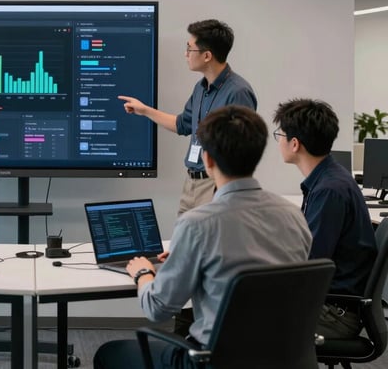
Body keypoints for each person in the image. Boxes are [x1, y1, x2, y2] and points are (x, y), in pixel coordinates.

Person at [93, 106, 312, 369]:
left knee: (109, 354)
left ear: (207, 160)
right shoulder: (293, 215)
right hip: (284, 357)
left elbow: (158, 308)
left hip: (213, 360)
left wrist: (143, 274)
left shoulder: (197, 224)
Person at [118, 19, 257, 216]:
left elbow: (243, 150)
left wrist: (223, 189)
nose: (186, 54)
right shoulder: (201, 88)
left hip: (216, 185)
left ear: (207, 55)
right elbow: (182, 124)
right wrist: (145, 110)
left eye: (189, 49)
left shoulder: (238, 92)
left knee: (208, 244)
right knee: (185, 242)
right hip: (192, 182)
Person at [273, 98, 377, 338]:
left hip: (333, 313)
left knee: (236, 321)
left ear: (295, 144)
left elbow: (309, 264)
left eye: (280, 134)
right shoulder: (329, 178)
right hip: (331, 303)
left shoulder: (329, 190)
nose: (278, 140)